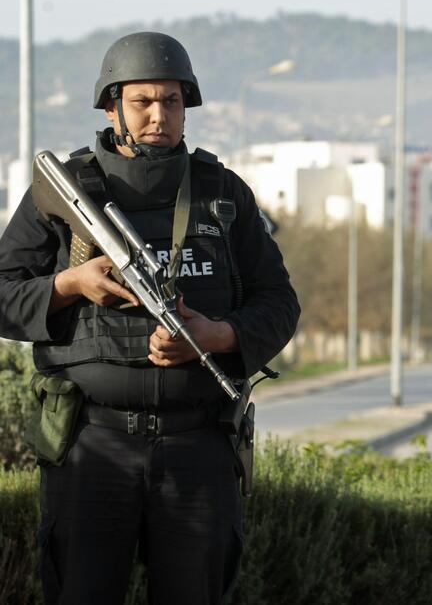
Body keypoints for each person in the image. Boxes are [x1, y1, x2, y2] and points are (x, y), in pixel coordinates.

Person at [0, 31, 300, 604]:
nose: (158, 115)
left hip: (197, 447)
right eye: (142, 101)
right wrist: (69, 285)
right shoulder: (62, 192)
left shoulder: (223, 193)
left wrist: (218, 336)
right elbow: (4, 292)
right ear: (113, 106)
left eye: (172, 101)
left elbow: (279, 302)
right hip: (92, 445)